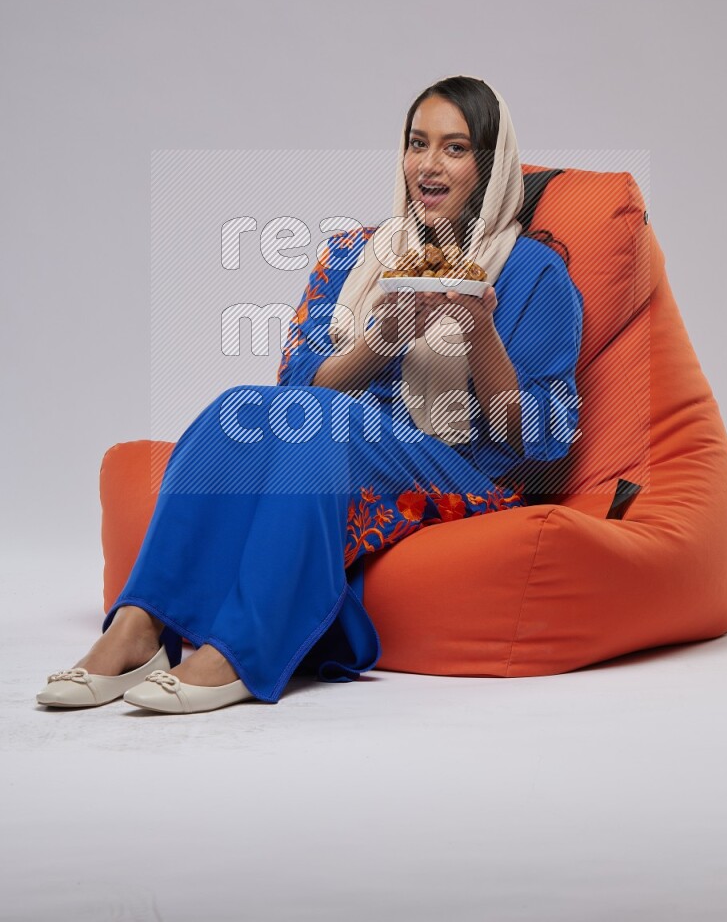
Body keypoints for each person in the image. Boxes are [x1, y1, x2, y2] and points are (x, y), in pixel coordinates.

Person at [35, 75, 584, 714]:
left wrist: (478, 328)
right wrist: (383, 337)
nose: (428, 165)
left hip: (464, 466)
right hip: (349, 432)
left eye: (455, 148)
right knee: (239, 409)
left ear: (489, 166)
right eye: (417, 143)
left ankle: (244, 649)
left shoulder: (535, 271)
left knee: (324, 428)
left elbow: (541, 438)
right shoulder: (357, 254)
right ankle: (139, 628)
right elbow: (299, 386)